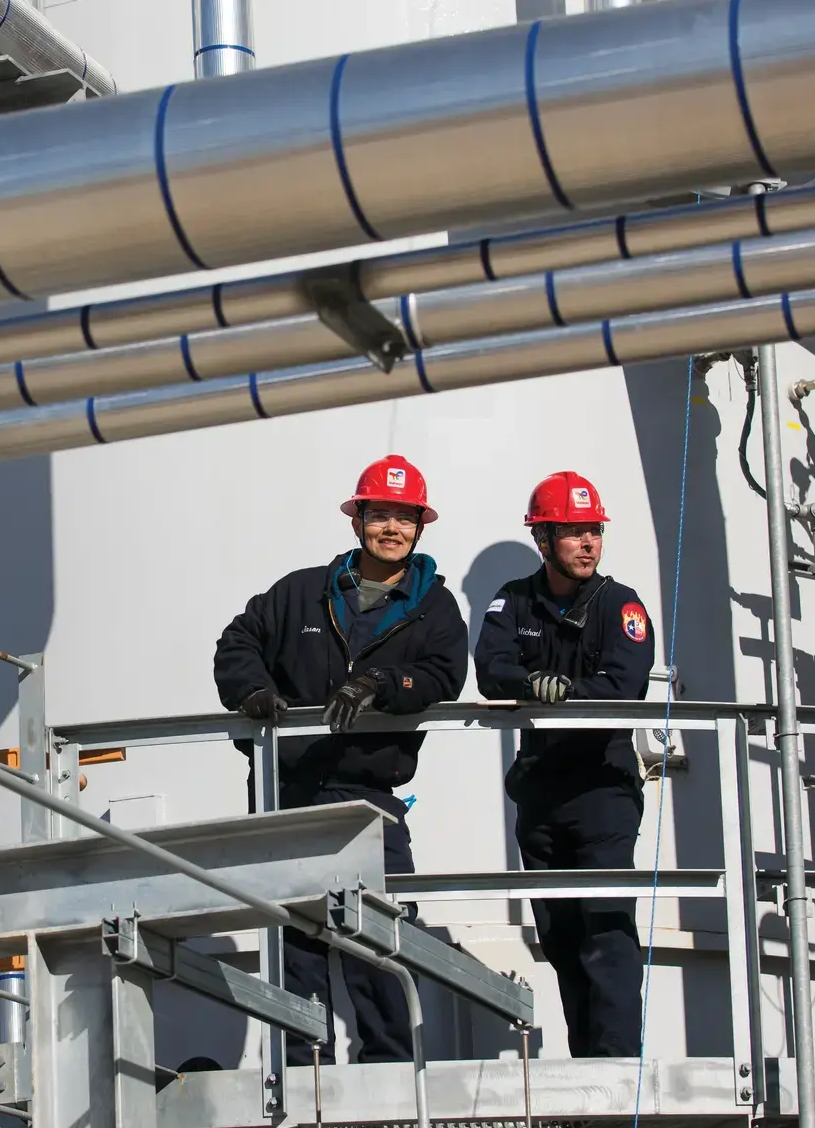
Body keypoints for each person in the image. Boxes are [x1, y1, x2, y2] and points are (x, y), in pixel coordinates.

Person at [212, 455, 468, 1062]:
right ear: (358, 522)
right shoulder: (300, 592)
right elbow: (237, 641)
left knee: (376, 941)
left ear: (419, 528)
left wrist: (382, 683)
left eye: (404, 518)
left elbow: (443, 673)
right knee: (296, 943)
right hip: (289, 792)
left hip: (370, 796)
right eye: (381, 514)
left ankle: (386, 1071)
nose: (392, 529)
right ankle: (302, 1073)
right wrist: (251, 691)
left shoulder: (436, 609)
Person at [474, 471, 656, 1058]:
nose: (588, 544)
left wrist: (563, 694)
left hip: (602, 791)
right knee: (560, 938)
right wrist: (532, 683)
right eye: (574, 533)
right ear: (543, 538)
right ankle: (588, 1070)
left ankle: (618, 1073)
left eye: (594, 532)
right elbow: (491, 667)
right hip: (540, 793)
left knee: (606, 934)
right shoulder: (514, 599)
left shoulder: (621, 606)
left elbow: (623, 690)